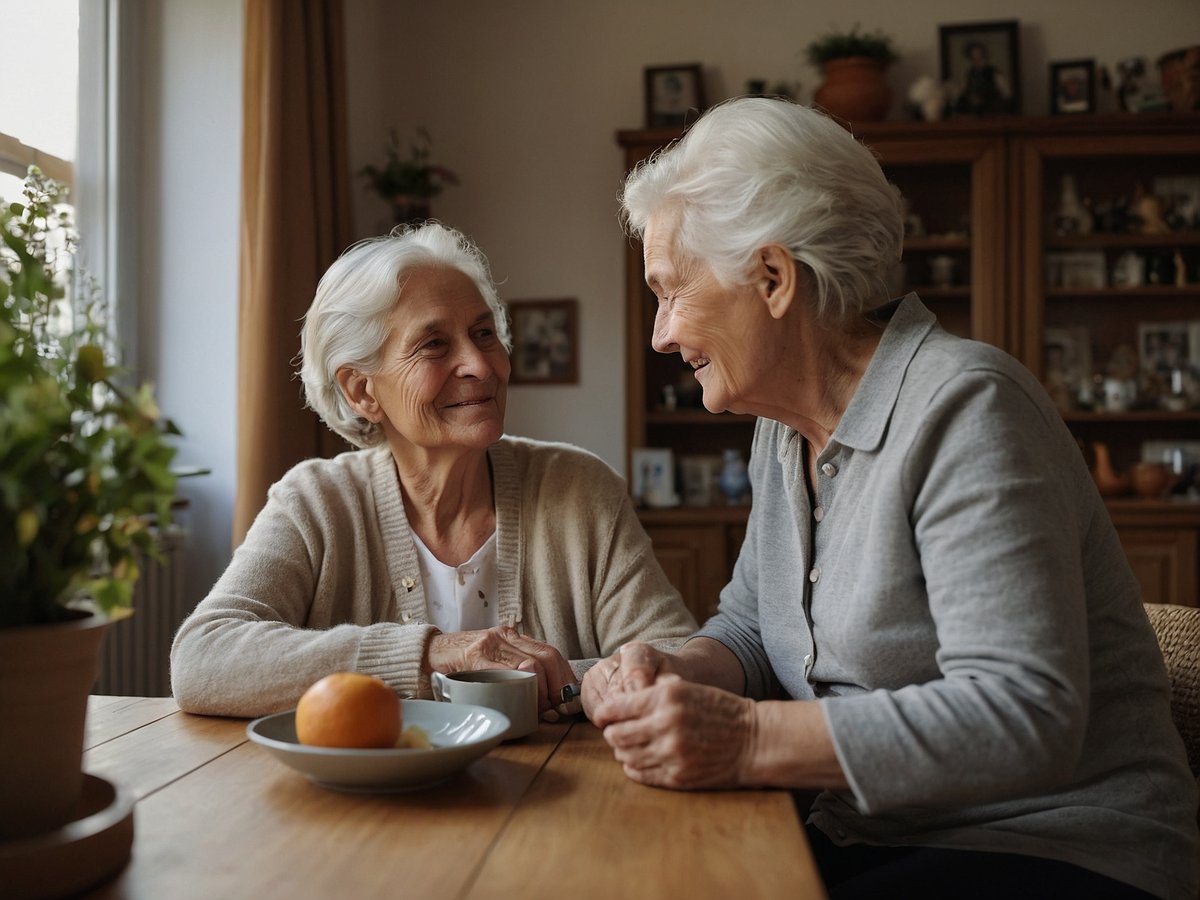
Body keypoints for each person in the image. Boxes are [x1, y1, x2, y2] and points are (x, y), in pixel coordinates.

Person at [583, 97, 1198, 900]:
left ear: (772, 278)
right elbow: (751, 628)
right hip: (876, 830)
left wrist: (744, 739)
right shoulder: (784, 428)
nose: (660, 334)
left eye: (671, 292)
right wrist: (680, 669)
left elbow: (1024, 716)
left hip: (1053, 846)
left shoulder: (966, 406)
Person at [171, 223, 696, 719]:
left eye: (484, 333)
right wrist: (432, 656)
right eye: (435, 344)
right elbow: (202, 660)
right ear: (361, 390)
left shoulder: (579, 490)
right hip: (368, 805)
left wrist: (539, 679)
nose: (481, 365)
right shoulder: (316, 502)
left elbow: (676, 659)